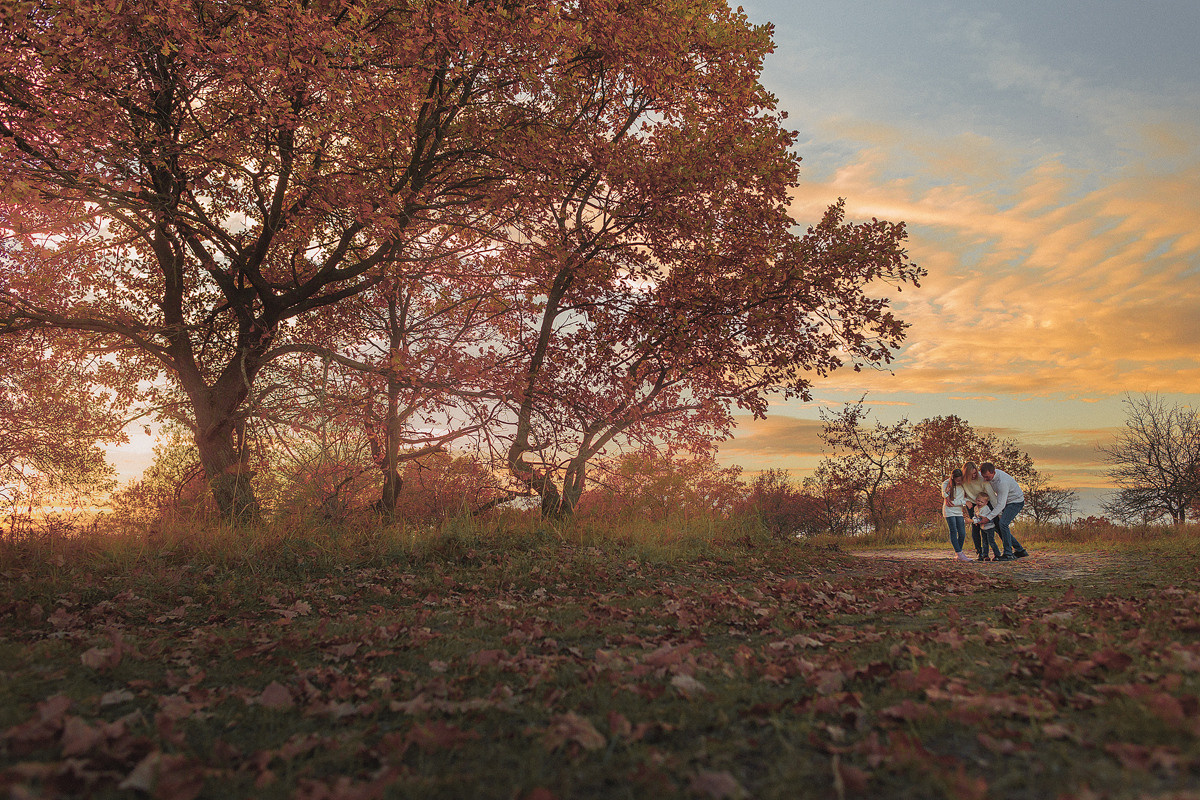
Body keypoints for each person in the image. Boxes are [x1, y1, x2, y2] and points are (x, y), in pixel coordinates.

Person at [978, 462, 1030, 561]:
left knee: (1003, 523)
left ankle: (1008, 554)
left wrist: (988, 518)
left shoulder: (1002, 482)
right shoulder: (985, 475)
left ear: (993, 472)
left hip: (1015, 502)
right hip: (1005, 501)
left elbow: (1001, 504)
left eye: (987, 477)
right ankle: (1020, 550)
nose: (985, 479)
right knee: (999, 526)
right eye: (984, 476)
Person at [961, 461, 1000, 561]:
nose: (974, 476)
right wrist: (966, 501)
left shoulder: (982, 479)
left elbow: (992, 496)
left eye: (975, 473)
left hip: (985, 501)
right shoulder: (962, 480)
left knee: (996, 524)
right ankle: (980, 552)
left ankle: (1006, 550)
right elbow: (950, 484)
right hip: (972, 503)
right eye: (971, 474)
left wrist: (998, 511)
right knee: (976, 527)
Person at [940, 468, 971, 561]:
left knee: (962, 533)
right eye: (957, 480)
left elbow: (966, 498)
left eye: (961, 480)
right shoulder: (948, 485)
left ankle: (958, 554)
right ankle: (959, 553)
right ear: (953, 478)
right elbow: (951, 502)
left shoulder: (963, 485)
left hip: (959, 512)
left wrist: (965, 501)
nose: (959, 482)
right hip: (949, 511)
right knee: (953, 530)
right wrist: (964, 502)